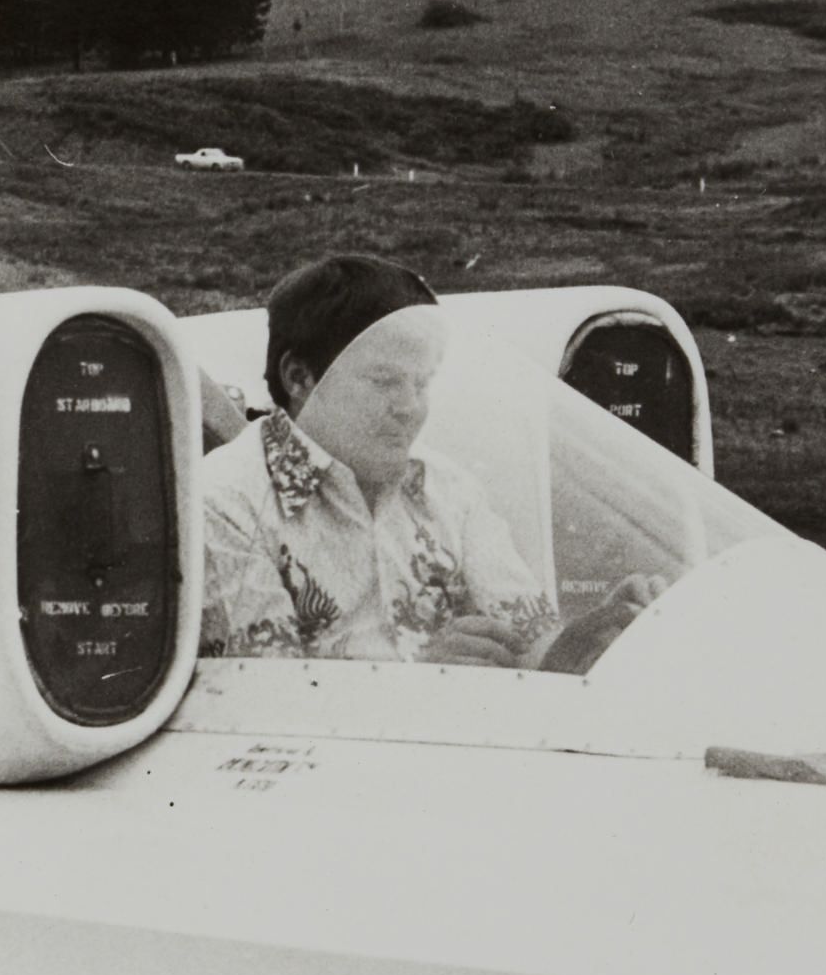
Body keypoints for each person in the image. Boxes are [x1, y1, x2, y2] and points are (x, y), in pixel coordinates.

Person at [199, 255, 565, 666]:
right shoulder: (223, 500)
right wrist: (425, 682)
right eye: (384, 381)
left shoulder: (449, 490)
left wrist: (606, 631)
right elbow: (264, 702)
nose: (410, 407)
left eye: (422, 382)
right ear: (298, 378)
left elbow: (535, 640)